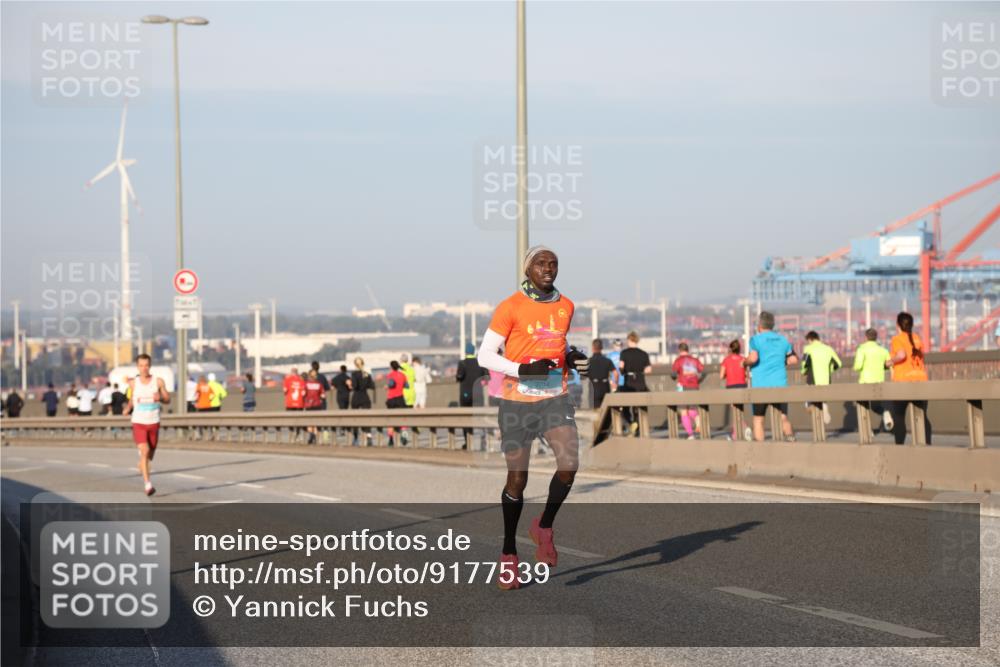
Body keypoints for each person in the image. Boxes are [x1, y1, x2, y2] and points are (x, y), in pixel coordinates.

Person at [476, 245, 588, 590]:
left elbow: (557, 343)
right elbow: (485, 356)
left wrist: (572, 356)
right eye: (541, 264)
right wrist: (523, 368)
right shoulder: (510, 307)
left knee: (569, 466)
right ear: (528, 270)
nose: (548, 268)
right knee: (517, 482)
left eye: (553, 264)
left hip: (554, 398)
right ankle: (509, 554)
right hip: (517, 402)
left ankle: (544, 525)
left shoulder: (566, 305)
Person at [744, 311, 798, 442]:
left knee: (758, 419)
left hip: (760, 386)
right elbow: (793, 360)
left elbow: (754, 357)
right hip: (780, 384)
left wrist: (744, 362)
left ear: (759, 326)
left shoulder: (755, 339)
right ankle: (792, 443)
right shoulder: (783, 340)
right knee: (783, 417)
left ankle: (760, 452)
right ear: (772, 325)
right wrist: (781, 361)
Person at [124, 353, 170, 496]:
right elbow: (133, 397)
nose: (143, 368)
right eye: (141, 365)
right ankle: (148, 484)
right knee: (144, 450)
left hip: (154, 422)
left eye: (146, 365)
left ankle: (142, 464)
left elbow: (168, 400)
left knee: (149, 455)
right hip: (139, 422)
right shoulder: (133, 383)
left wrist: (161, 397)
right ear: (137, 367)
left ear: (150, 366)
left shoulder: (158, 382)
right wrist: (128, 407)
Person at [889, 312, 932, 445]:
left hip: (903, 382)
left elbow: (901, 355)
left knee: (899, 416)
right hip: (920, 380)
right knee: (922, 416)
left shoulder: (897, 339)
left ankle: (899, 448)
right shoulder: (917, 338)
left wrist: (890, 362)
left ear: (898, 325)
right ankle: (926, 445)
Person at [853, 328, 894, 434]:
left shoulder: (862, 349)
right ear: (876, 337)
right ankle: (885, 413)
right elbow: (889, 365)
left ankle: (868, 431)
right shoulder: (883, 350)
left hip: (865, 382)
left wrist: (857, 366)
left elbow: (858, 366)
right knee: (875, 406)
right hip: (879, 382)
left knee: (863, 407)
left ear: (866, 337)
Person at [800, 331, 842, 425]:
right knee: (822, 398)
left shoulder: (808, 349)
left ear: (810, 339)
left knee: (808, 403)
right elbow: (838, 364)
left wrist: (802, 372)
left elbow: (804, 364)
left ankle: (818, 414)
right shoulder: (828, 349)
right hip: (825, 380)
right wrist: (829, 370)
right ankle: (824, 406)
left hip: (812, 380)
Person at [456, 342, 489, 448]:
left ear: (466, 351)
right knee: (481, 418)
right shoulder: (480, 363)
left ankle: (468, 442)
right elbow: (488, 377)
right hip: (478, 394)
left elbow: (459, 377)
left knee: (466, 417)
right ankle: (484, 441)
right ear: (474, 352)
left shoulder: (462, 363)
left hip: (465, 395)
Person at [618, 331, 651, 436]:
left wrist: (624, 372)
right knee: (639, 406)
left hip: (629, 383)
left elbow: (621, 367)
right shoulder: (644, 353)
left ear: (629, 340)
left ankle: (631, 422)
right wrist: (640, 372)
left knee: (625, 406)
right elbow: (649, 370)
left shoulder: (624, 353)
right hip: (641, 383)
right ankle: (638, 425)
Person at [671, 342, 705, 439]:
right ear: (687, 350)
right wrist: (698, 380)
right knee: (692, 409)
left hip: (683, 386)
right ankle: (698, 420)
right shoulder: (695, 360)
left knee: (684, 411)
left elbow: (673, 374)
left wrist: (675, 377)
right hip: (694, 386)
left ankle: (690, 434)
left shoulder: (678, 361)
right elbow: (703, 370)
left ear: (679, 350)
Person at [720, 339, 751, 441]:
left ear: (730, 349)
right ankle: (739, 431)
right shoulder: (743, 359)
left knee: (735, 412)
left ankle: (739, 432)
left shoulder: (726, 360)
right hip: (742, 386)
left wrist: (727, 374)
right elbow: (747, 375)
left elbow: (721, 376)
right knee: (740, 410)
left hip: (731, 387)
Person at [350, 357, 375, 445]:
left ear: (355, 364)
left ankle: (356, 438)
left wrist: (351, 384)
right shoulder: (367, 373)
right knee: (367, 418)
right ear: (363, 364)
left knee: (355, 418)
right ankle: (369, 436)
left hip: (356, 397)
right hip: (365, 396)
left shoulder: (354, 374)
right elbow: (372, 386)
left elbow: (355, 386)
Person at [587, 338, 617, 410]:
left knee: (595, 412)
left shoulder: (588, 361)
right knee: (606, 411)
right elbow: (616, 373)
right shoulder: (607, 360)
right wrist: (614, 383)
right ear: (602, 348)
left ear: (592, 348)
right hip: (605, 387)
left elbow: (582, 376)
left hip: (593, 387)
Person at [385, 360, 409, 445]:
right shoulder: (403, 375)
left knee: (390, 419)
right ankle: (404, 433)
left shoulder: (389, 375)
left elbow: (391, 384)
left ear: (391, 367)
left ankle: (391, 438)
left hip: (391, 399)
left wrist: (387, 386)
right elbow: (407, 386)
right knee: (403, 417)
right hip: (400, 398)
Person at [303, 369, 326, 444]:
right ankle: (314, 437)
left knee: (311, 422)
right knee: (315, 422)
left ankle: (312, 436)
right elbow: (323, 395)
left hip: (310, 405)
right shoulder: (319, 384)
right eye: (315, 375)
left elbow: (303, 394)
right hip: (316, 404)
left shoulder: (306, 384)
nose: (316, 376)